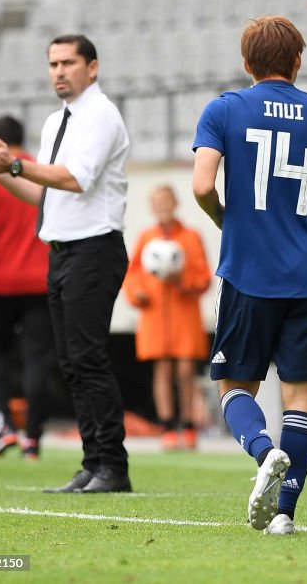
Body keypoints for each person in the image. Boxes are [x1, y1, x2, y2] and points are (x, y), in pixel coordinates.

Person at [192, 16, 307, 536]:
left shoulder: (224, 109)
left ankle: (264, 452)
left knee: (233, 386)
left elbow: (202, 185)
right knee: (302, 396)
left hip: (247, 271)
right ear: (297, 62)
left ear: (246, 63)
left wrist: (229, 220)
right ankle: (285, 514)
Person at [0, 34, 132, 494]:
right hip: (61, 251)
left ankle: (112, 466)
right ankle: (93, 462)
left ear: (92, 68)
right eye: (53, 63)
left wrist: (13, 164)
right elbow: (44, 192)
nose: (59, 71)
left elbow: (75, 179)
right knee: (71, 363)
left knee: (88, 359)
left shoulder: (100, 115)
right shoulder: (58, 121)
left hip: (93, 249)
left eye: (68, 62)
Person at [0, 115, 54, 460]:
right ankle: (33, 437)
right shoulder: (38, 168)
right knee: (38, 359)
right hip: (41, 280)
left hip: (1, 281)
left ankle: (4, 427)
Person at [122, 185, 212, 451]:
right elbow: (133, 274)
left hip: (184, 312)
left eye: (166, 200)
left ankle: (188, 425)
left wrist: (182, 281)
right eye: (157, 201)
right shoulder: (146, 237)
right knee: (162, 369)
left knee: (185, 371)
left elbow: (203, 275)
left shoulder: (190, 237)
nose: (162, 206)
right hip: (155, 314)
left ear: (175, 203)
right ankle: (168, 426)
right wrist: (138, 293)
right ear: (152, 206)